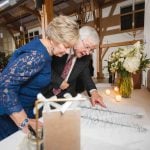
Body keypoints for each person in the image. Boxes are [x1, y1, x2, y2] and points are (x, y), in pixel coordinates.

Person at [0, 15, 79, 140]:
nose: (68, 52)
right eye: (66, 46)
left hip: (25, 110)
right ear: (55, 38)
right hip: (9, 116)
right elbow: (5, 85)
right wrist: (24, 121)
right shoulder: (38, 56)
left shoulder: (45, 52)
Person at [42, 26, 106, 108]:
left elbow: (86, 76)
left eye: (91, 50)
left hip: (67, 97)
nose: (87, 52)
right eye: (87, 47)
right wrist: (59, 81)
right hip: (45, 92)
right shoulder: (61, 46)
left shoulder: (86, 57)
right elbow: (44, 67)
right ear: (78, 38)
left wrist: (94, 92)